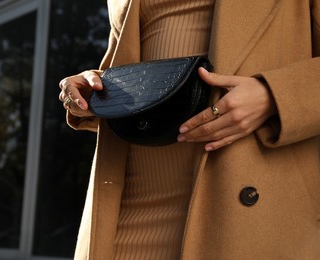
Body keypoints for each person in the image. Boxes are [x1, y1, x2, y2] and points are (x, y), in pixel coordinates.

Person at [59, 0, 320, 259]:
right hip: (127, 210)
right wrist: (97, 90)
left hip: (244, 209)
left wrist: (273, 95)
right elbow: (135, 63)